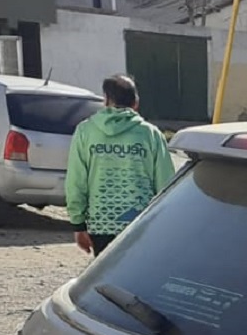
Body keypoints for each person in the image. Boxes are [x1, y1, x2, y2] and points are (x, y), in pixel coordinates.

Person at [65, 75, 174, 255]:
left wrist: (78, 224)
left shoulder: (86, 131)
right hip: (141, 224)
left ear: (106, 100)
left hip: (101, 223)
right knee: (136, 277)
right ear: (135, 102)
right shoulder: (150, 134)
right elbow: (166, 183)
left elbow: (76, 181)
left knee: (105, 277)